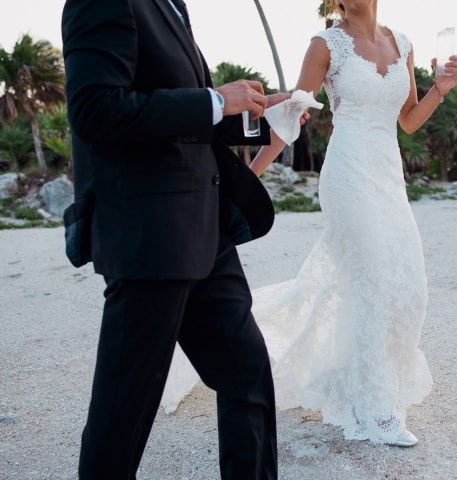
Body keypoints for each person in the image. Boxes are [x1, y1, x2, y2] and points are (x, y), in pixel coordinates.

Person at [165, 0, 457, 447]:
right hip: (347, 175)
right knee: (374, 281)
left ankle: (364, 378)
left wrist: (439, 89)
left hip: (387, 175)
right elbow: (291, 115)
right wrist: (244, 181)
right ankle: (375, 408)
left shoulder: (402, 44)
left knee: (408, 282)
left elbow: (407, 121)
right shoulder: (325, 45)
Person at [60, 0, 303, 477]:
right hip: (150, 238)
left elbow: (182, 117)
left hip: (205, 233)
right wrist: (214, 101)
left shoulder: (171, 6)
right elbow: (95, 110)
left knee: (247, 373)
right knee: (123, 412)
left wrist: (258, 113)